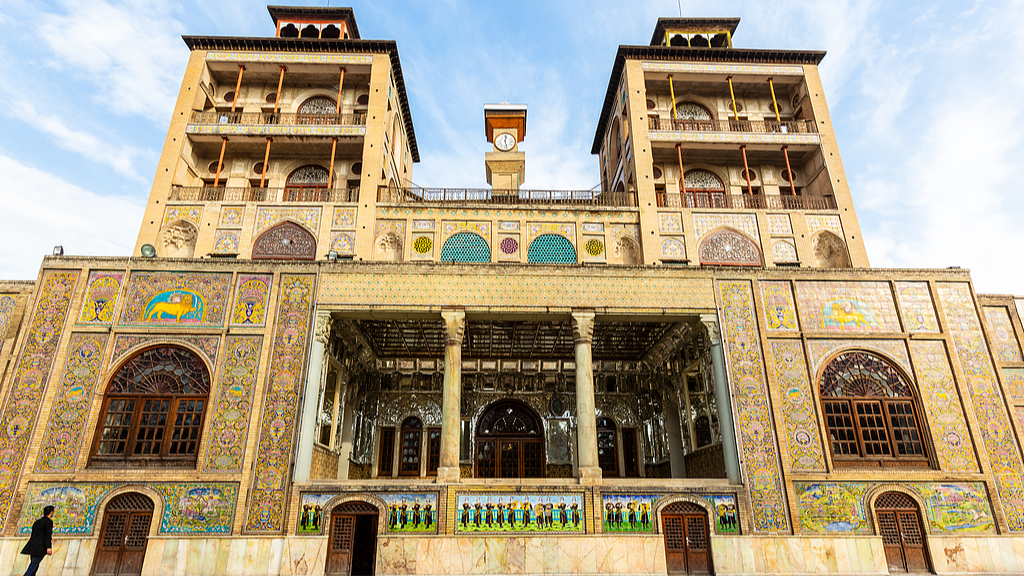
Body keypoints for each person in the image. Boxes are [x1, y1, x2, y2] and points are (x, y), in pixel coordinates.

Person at [22, 505, 54, 576]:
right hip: (40, 547)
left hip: (32, 547)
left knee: (35, 566)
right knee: (33, 565)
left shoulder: (37, 522)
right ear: (51, 512)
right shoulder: (48, 522)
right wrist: (48, 547)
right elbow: (47, 535)